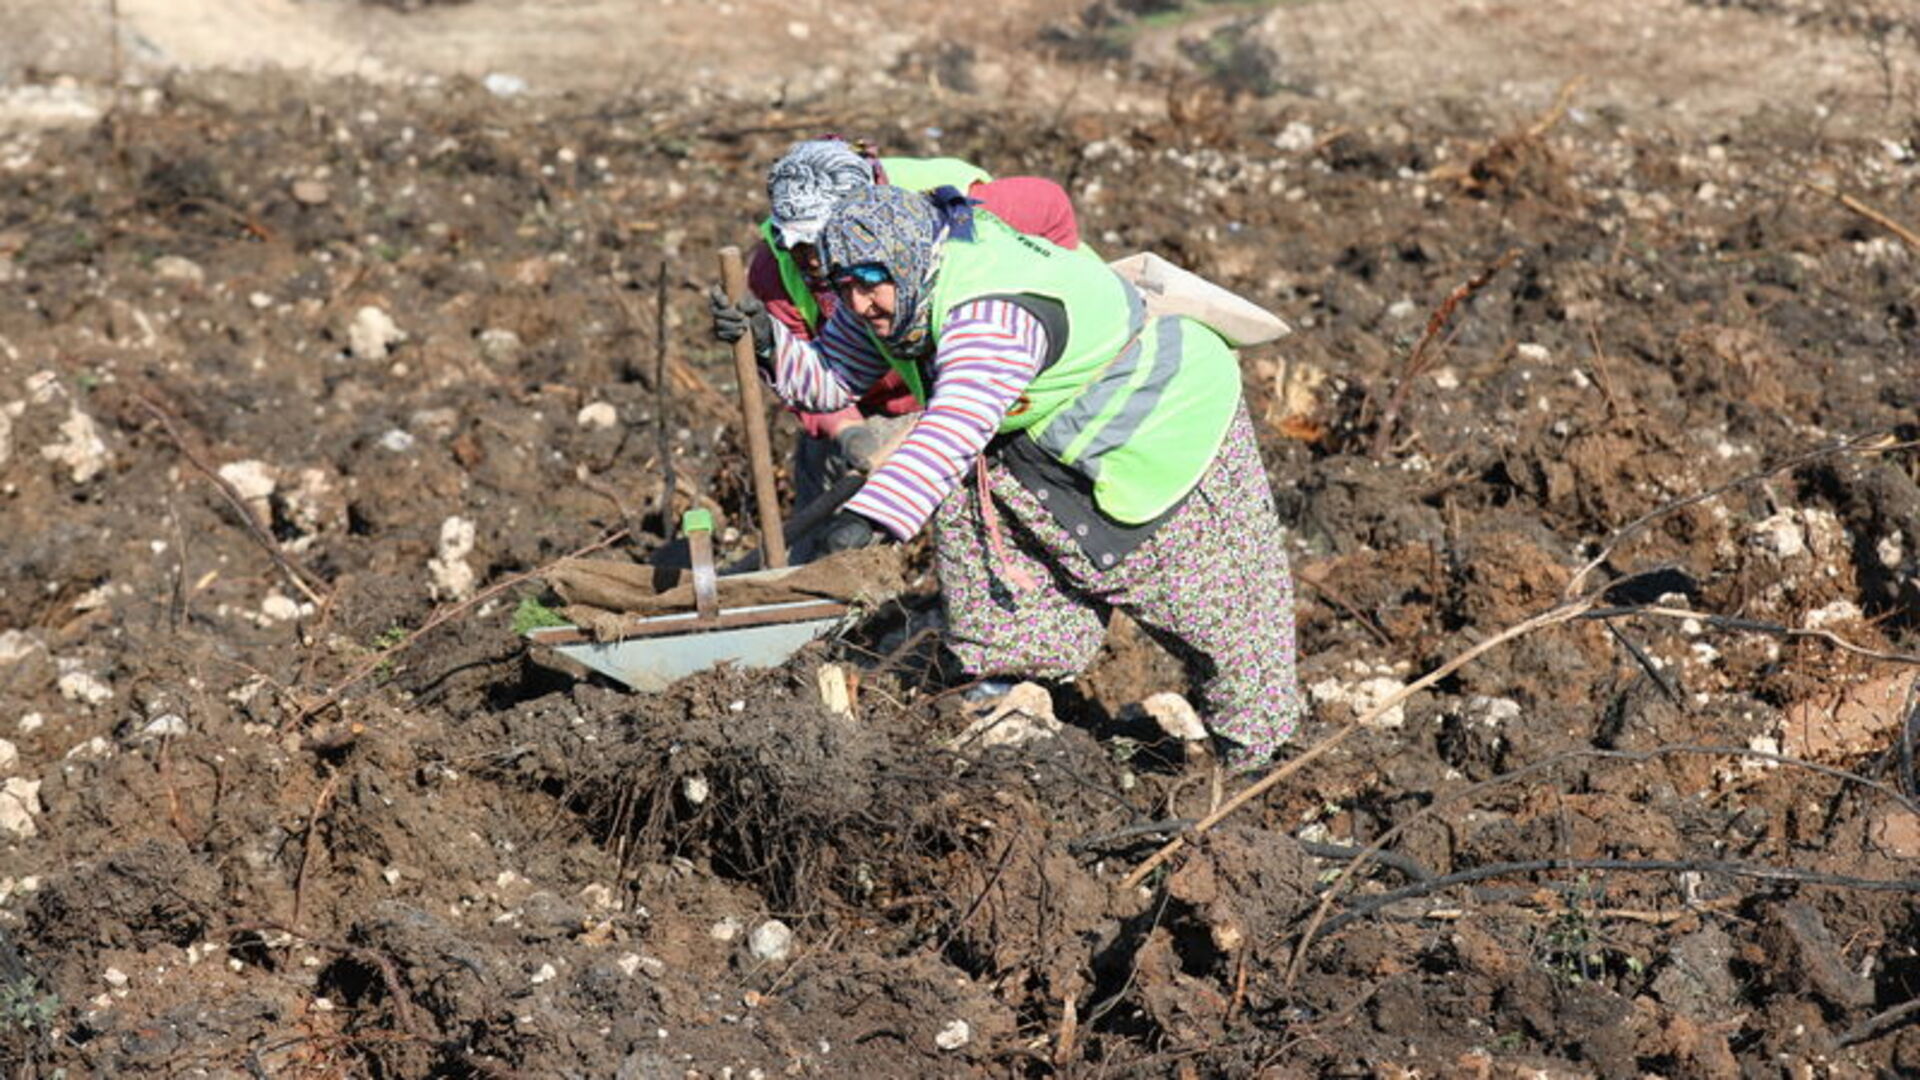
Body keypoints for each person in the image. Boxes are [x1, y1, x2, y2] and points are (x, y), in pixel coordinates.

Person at [711, 184, 1305, 772]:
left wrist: (870, 518)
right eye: (847, 287)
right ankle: (1011, 701)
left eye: (870, 282)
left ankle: (1263, 760)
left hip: (1159, 426)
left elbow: (954, 424)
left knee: (1216, 612)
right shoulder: (901, 285)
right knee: (985, 523)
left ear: (908, 259)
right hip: (1046, 436)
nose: (862, 302)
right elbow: (834, 377)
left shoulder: (992, 312)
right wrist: (770, 342)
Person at [744, 138, 1084, 525]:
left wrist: (1045, 315)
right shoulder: (784, 269)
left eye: (817, 242)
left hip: (993, 387)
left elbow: (1050, 208)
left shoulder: (951, 220)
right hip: (875, 401)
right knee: (827, 530)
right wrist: (849, 431)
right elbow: (825, 371)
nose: (809, 260)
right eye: (796, 245)